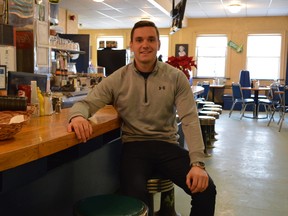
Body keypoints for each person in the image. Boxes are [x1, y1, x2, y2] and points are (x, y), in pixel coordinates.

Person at [67, 20, 216, 216]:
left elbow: (189, 118)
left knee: (206, 189)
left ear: (158, 44)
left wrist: (197, 164)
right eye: (139, 40)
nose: (145, 44)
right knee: (138, 201)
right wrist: (77, 117)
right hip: (134, 148)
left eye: (150, 39)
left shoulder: (175, 77)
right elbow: (86, 104)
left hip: (167, 145)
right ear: (131, 45)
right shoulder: (117, 79)